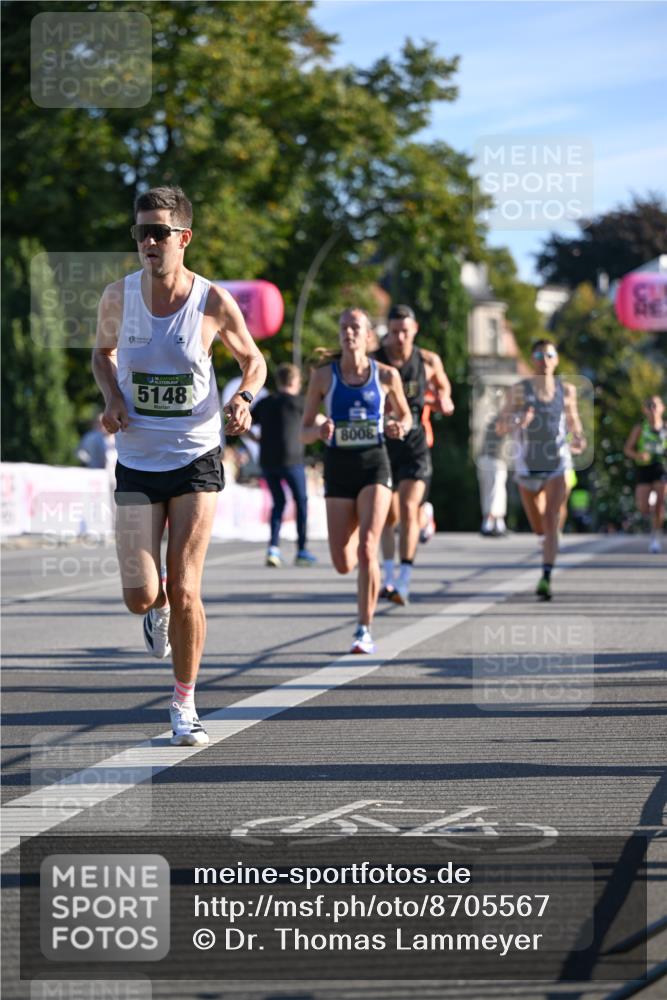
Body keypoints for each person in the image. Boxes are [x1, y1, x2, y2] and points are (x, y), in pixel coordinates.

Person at [92, 185, 266, 746]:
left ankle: (184, 703)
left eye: (158, 232)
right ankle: (156, 607)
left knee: (187, 586)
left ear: (183, 238)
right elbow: (102, 354)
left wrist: (243, 398)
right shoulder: (118, 299)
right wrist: (113, 399)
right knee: (141, 593)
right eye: (140, 231)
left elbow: (252, 359)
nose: (147, 241)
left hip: (196, 455)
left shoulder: (212, 302)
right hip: (138, 459)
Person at [301, 307, 411, 654]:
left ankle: (364, 628)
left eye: (355, 327)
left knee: (367, 547)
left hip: (374, 464)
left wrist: (399, 426)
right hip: (338, 467)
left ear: (368, 336)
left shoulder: (387, 376)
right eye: (344, 327)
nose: (348, 333)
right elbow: (303, 432)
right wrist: (318, 430)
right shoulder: (322, 377)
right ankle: (366, 567)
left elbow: (406, 416)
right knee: (342, 561)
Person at [375, 304, 454, 605]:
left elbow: (444, 388)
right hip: (383, 443)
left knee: (407, 508)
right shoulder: (375, 361)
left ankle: (403, 581)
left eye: (405, 331)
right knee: (387, 515)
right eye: (394, 332)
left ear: (415, 329)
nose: (399, 338)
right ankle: (390, 574)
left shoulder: (428, 360)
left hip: (416, 444)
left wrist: (444, 400)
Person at [496, 338, 586, 600]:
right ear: (532, 359)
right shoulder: (519, 391)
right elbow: (500, 426)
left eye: (549, 355)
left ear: (556, 360)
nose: (544, 361)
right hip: (527, 465)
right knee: (539, 526)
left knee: (550, 520)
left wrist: (578, 438)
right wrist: (516, 420)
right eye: (538, 356)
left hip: (557, 462)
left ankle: (546, 577)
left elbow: (573, 422)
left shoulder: (566, 390)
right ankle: (547, 542)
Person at [250, 362, 317, 567]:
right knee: (301, 502)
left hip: (268, 461)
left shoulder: (265, 402)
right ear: (295, 381)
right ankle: (302, 549)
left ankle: (273, 548)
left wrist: (256, 440)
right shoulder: (300, 403)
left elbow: (246, 423)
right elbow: (315, 422)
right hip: (293, 460)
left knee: (278, 503)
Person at [623, 395, 666, 553]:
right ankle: (650, 512)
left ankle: (655, 536)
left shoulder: (666, 427)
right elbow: (627, 449)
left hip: (661, 467)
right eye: (649, 405)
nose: (653, 409)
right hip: (643, 469)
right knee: (643, 507)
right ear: (645, 410)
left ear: (662, 408)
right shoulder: (640, 427)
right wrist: (638, 456)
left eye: (656, 405)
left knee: (660, 504)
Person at [477, 411, 509, 537]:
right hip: (492, 460)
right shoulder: (498, 420)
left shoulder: (495, 419)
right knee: (493, 491)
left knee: (497, 491)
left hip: (493, 460)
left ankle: (498, 523)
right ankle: (489, 522)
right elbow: (502, 430)